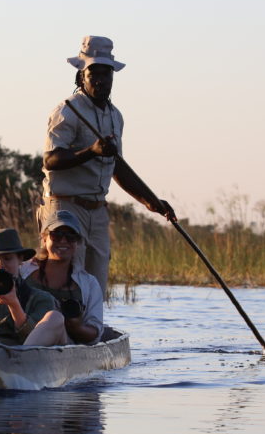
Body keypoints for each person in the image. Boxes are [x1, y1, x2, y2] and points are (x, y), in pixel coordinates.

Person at [38, 35, 176, 295]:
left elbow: (117, 167)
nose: (101, 80)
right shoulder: (67, 111)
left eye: (107, 74)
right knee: (67, 280)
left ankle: (91, 330)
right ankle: (58, 328)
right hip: (65, 206)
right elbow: (51, 160)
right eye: (94, 74)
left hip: (97, 211)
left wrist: (151, 202)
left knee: (95, 284)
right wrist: (91, 151)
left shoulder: (115, 116)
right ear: (82, 76)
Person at [21, 210, 104, 345]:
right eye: (57, 235)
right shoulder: (23, 271)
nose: (64, 240)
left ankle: (21, 358)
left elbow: (95, 333)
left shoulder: (89, 283)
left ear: (77, 242)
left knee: (54, 318)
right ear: (44, 238)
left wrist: (76, 327)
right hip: (21, 334)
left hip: (64, 346)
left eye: (71, 236)